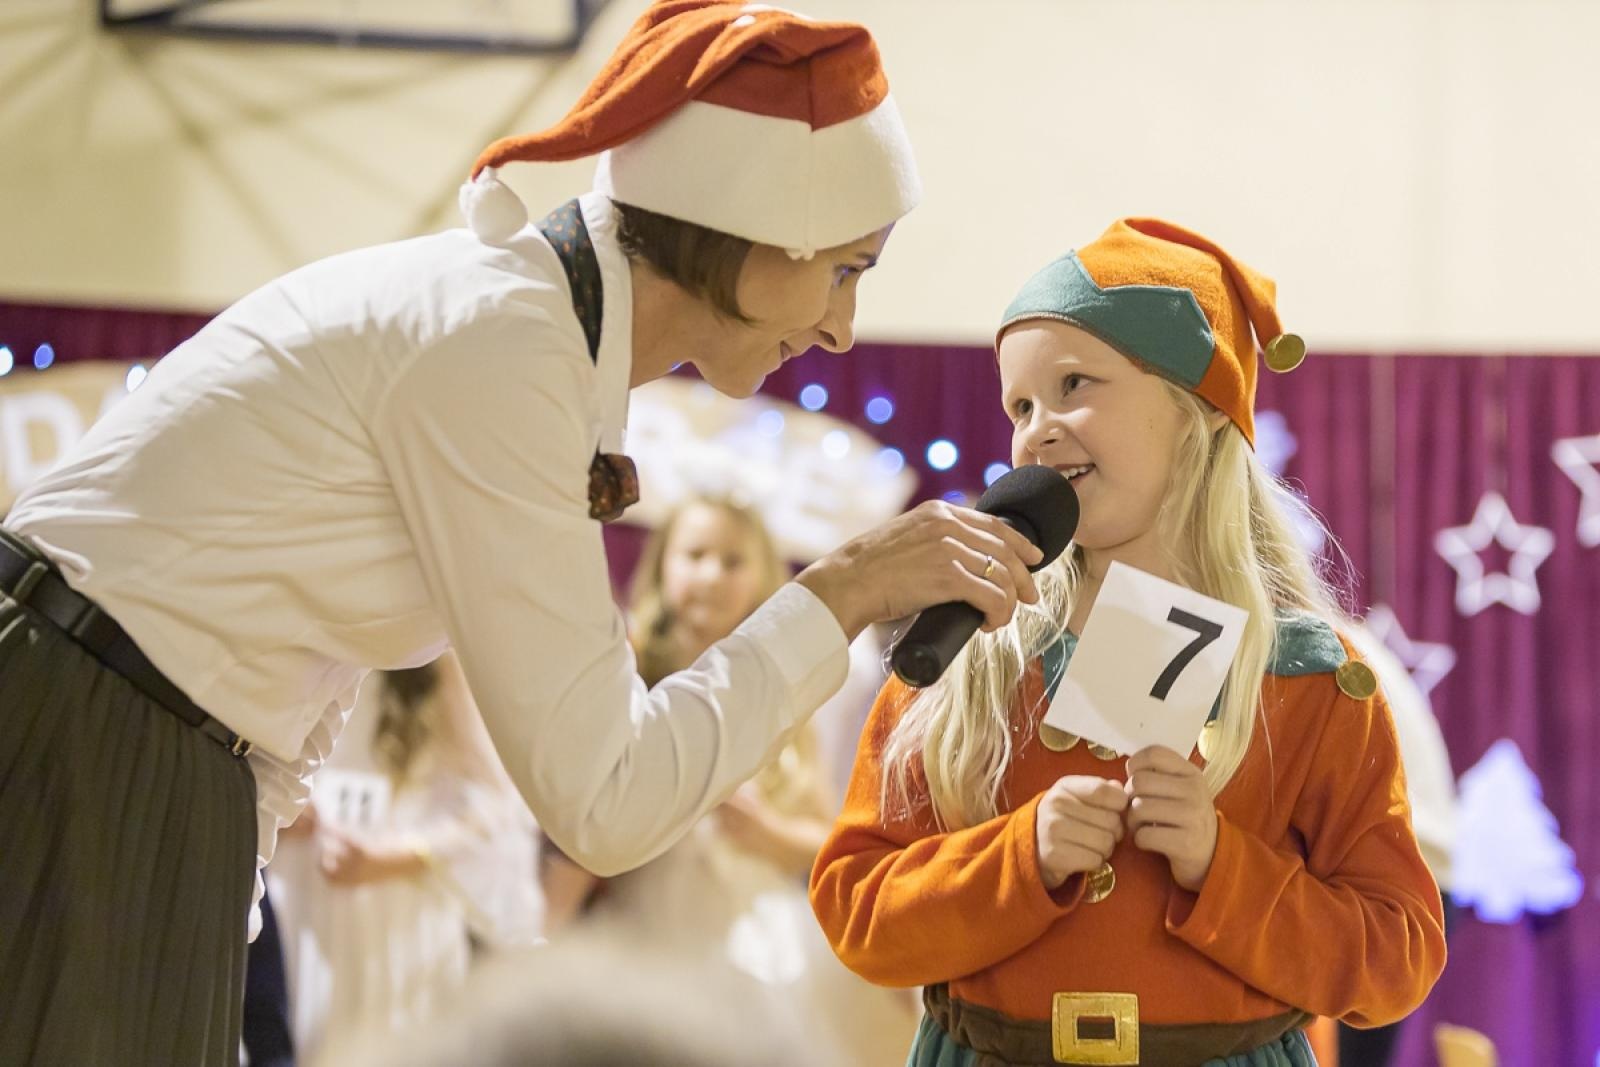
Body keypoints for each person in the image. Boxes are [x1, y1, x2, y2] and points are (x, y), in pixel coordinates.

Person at [0, 4, 1045, 1063]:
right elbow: (607, 798)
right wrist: (843, 589)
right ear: (747, 228)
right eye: (845, 267)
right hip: (83, 730)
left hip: (118, 732)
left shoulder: (523, 328)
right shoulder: (505, 344)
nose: (839, 326)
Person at [809, 219, 1448, 1066]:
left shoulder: (1308, 682)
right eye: (1020, 405)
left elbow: (1393, 959)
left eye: (1075, 383)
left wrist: (1225, 868)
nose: (1036, 428)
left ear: (1197, 412)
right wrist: (1018, 857)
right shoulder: (964, 657)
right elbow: (859, 915)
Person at [541, 496, 918, 1064]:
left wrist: (763, 831)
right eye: (695, 555)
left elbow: (828, 843)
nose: (711, 576)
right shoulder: (631, 676)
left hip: (755, 943)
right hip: (648, 933)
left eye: (732, 561)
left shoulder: (786, 697)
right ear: (663, 563)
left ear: (761, 575)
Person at [267, 652, 540, 1060]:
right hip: (309, 900)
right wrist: (282, 808)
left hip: (398, 915)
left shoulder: (438, 656)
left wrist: (389, 857)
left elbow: (496, 810)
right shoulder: (307, 634)